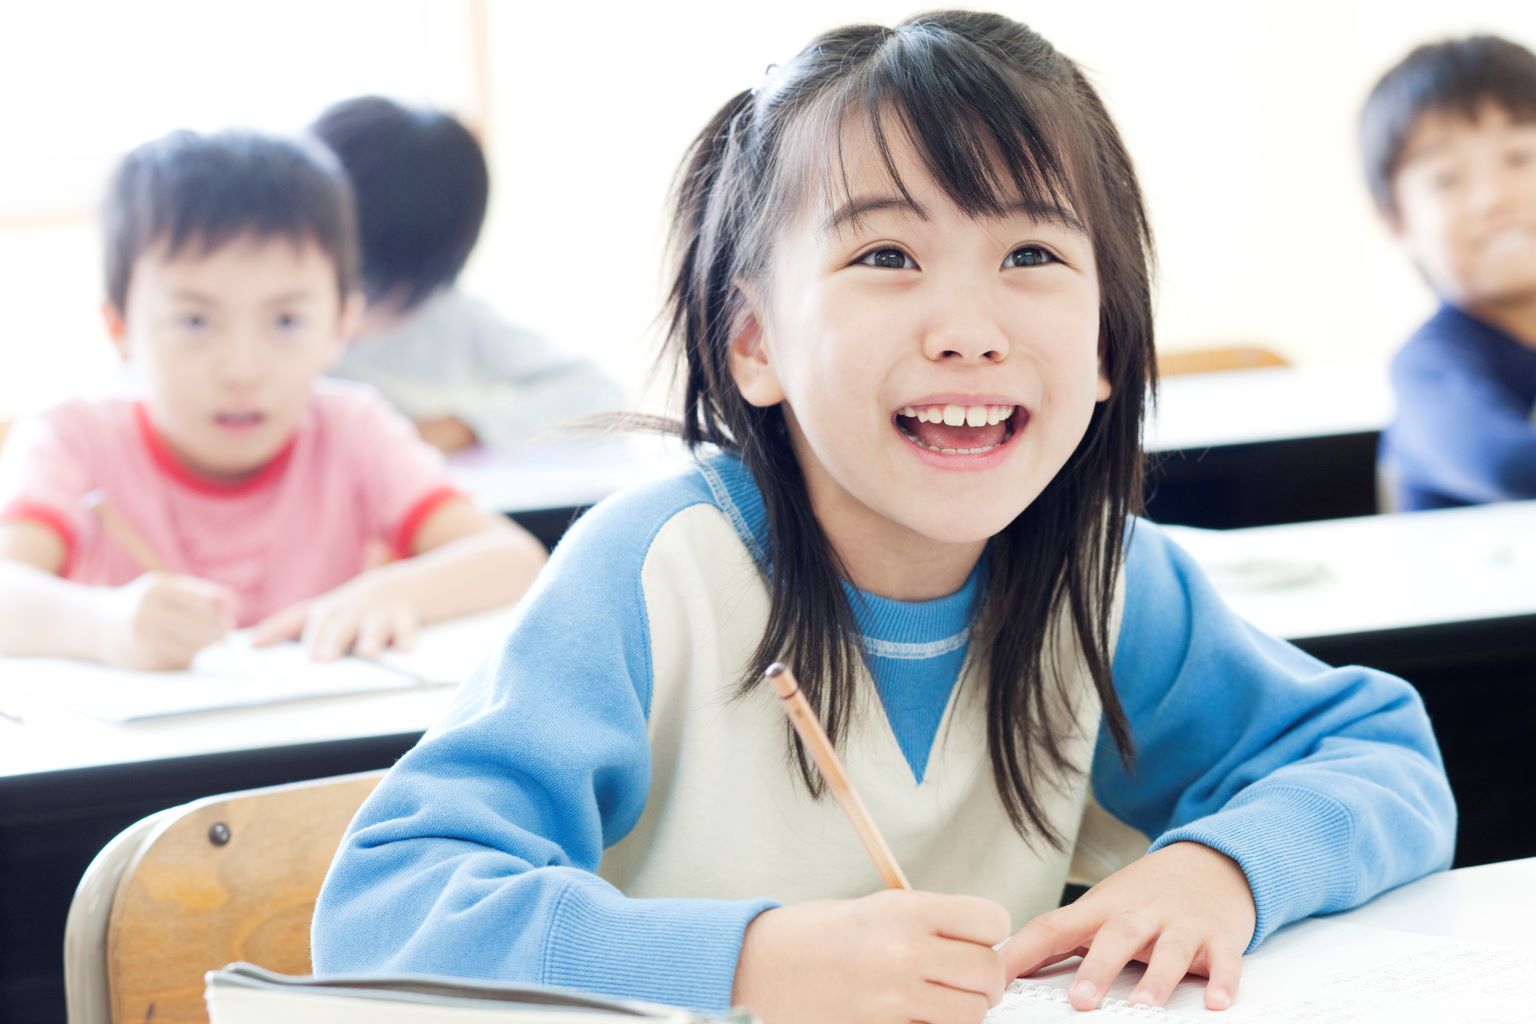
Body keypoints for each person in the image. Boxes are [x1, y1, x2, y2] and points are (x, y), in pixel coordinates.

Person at [312, 13, 1455, 1023]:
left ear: (1107, 341)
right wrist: (746, 963)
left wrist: (1219, 871)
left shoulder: (1099, 577)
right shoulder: (657, 574)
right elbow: (386, 903)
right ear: (753, 341)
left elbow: (1379, 756)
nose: (969, 325)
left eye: (1032, 254)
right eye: (886, 253)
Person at [0, 129, 546, 670]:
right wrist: (105, 625)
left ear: (341, 324)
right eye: (194, 321)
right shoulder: (73, 438)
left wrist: (395, 592)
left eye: (286, 320)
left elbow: (516, 561)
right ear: (119, 327)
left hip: (313, 754)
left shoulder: (353, 428)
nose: (242, 370)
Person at [310, 96, 623, 453]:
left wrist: (465, 426)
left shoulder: (448, 315)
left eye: (379, 285)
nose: (352, 308)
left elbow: (598, 395)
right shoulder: (259, 315)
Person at [1363, 35, 1536, 511]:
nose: (1493, 198)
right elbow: (1505, 463)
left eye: (1522, 158)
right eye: (1446, 180)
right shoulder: (1428, 366)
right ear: (1396, 221)